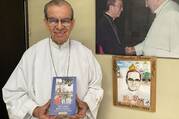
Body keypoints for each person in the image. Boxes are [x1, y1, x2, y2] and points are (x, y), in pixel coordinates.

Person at [2, 0, 103, 119]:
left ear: (72, 23)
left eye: (65, 21)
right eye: (53, 20)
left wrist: (86, 104)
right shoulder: (31, 55)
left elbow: (96, 87)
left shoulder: (85, 54)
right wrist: (35, 110)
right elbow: (12, 93)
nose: (59, 26)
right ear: (46, 23)